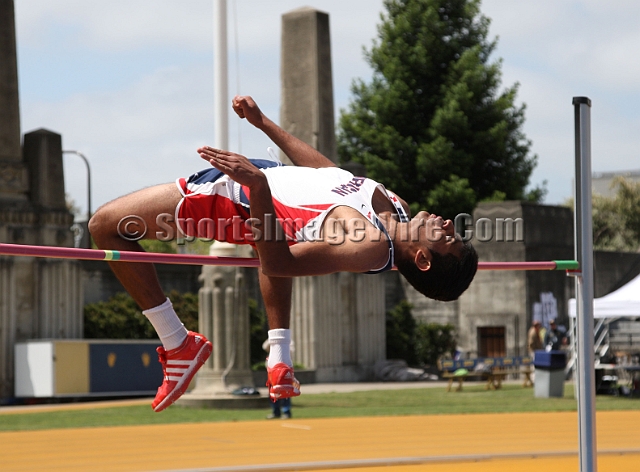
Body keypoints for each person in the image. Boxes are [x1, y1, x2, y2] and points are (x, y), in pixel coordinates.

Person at [89, 95, 478, 412]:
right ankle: (193, 346)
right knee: (108, 225)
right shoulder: (397, 206)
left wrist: (257, 187)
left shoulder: (368, 244)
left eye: (448, 238)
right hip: (257, 179)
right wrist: (264, 125)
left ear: (423, 260)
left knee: (105, 227)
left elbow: (277, 263)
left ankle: (177, 343)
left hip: (233, 204)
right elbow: (331, 175)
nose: (447, 224)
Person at [263, 338, 293, 419]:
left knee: (284, 390)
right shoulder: (273, 338)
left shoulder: (287, 340)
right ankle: (276, 411)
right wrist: (272, 340)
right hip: (272, 371)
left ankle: (286, 412)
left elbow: (291, 351)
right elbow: (265, 346)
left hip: (283, 370)